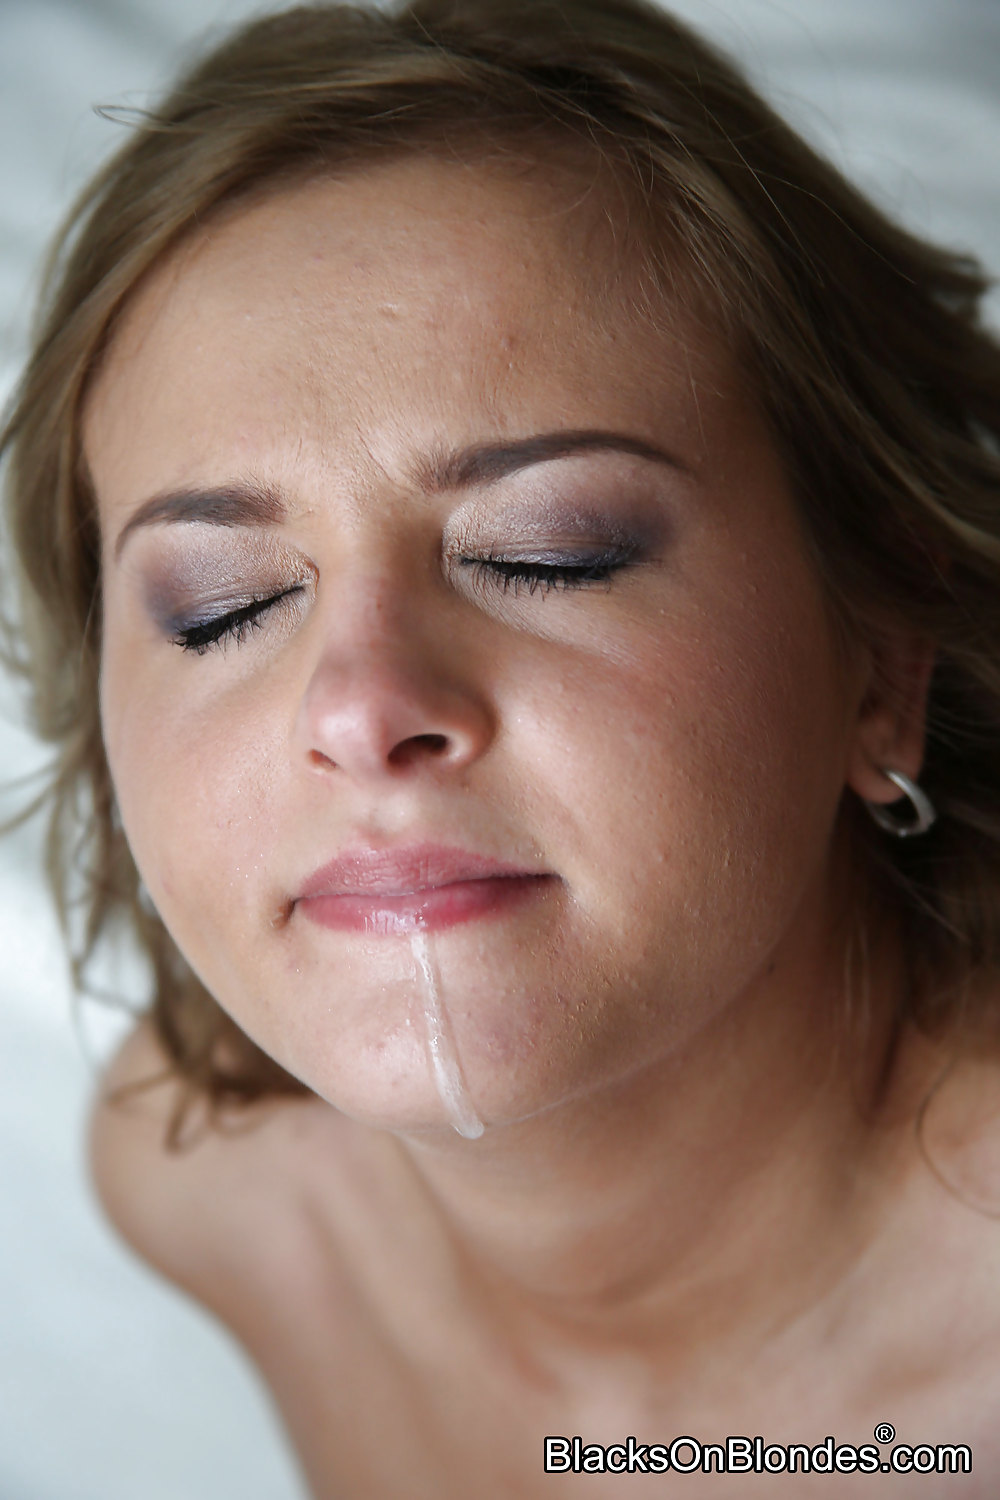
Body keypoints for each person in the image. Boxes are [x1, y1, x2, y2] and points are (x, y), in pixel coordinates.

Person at [3, 0, 1000, 1491]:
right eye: (221, 609)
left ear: (883, 649)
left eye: (552, 551)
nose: (357, 703)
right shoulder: (204, 1187)